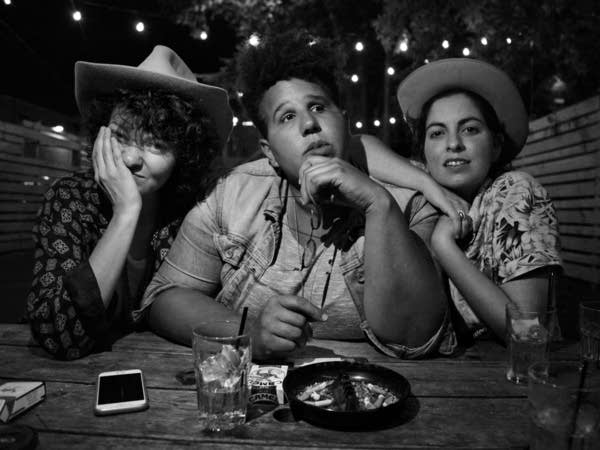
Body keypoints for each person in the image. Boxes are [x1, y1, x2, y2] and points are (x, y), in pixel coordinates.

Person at [137, 31, 451, 360]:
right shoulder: (232, 195)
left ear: (344, 123)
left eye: (318, 106)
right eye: (287, 117)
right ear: (269, 151)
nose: (309, 124)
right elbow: (162, 299)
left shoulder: (407, 203)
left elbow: (417, 336)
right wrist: (247, 333)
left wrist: (378, 204)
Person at [26, 45, 233, 360]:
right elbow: (60, 336)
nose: (130, 158)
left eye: (155, 144)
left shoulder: (195, 210)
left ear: (184, 156)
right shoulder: (69, 198)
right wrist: (126, 212)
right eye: (121, 136)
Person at [363, 58, 562, 343]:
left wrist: (444, 247)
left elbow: (528, 335)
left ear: (495, 145)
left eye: (469, 129)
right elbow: (358, 146)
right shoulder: (428, 187)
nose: (453, 144)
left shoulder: (516, 192)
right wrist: (425, 183)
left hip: (510, 378)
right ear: (424, 154)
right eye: (437, 133)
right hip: (442, 370)